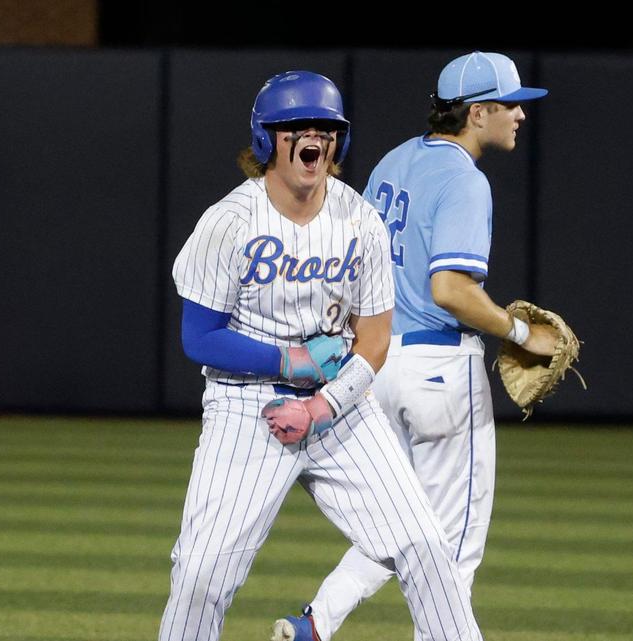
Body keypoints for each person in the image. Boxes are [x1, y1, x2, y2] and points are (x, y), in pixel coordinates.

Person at [158, 70, 483, 641]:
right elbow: (199, 337)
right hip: (246, 407)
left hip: (341, 412)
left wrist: (324, 402)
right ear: (267, 139)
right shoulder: (229, 222)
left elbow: (375, 339)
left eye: (326, 127)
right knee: (202, 574)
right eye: (297, 127)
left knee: (426, 547)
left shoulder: (360, 220)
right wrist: (290, 363)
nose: (314, 138)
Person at [286, 51, 557, 641]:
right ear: (477, 112)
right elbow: (452, 289)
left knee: (401, 523)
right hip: (439, 368)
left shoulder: (390, 163)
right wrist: (518, 333)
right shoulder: (464, 179)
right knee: (451, 552)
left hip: (376, 364)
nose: (520, 115)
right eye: (510, 104)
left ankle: (314, 623)